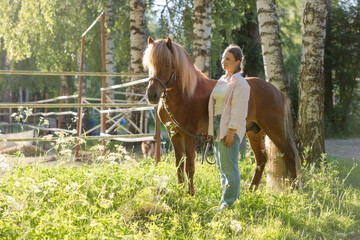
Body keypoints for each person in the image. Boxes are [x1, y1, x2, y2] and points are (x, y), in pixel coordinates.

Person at [208, 44, 250, 211]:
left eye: (228, 59)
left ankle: (230, 204)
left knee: (229, 167)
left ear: (237, 62)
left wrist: (231, 132)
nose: (223, 61)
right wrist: (210, 128)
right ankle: (226, 202)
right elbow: (215, 104)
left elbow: (238, 110)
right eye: (223, 58)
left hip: (229, 128)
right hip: (218, 125)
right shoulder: (222, 80)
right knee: (221, 167)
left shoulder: (241, 83)